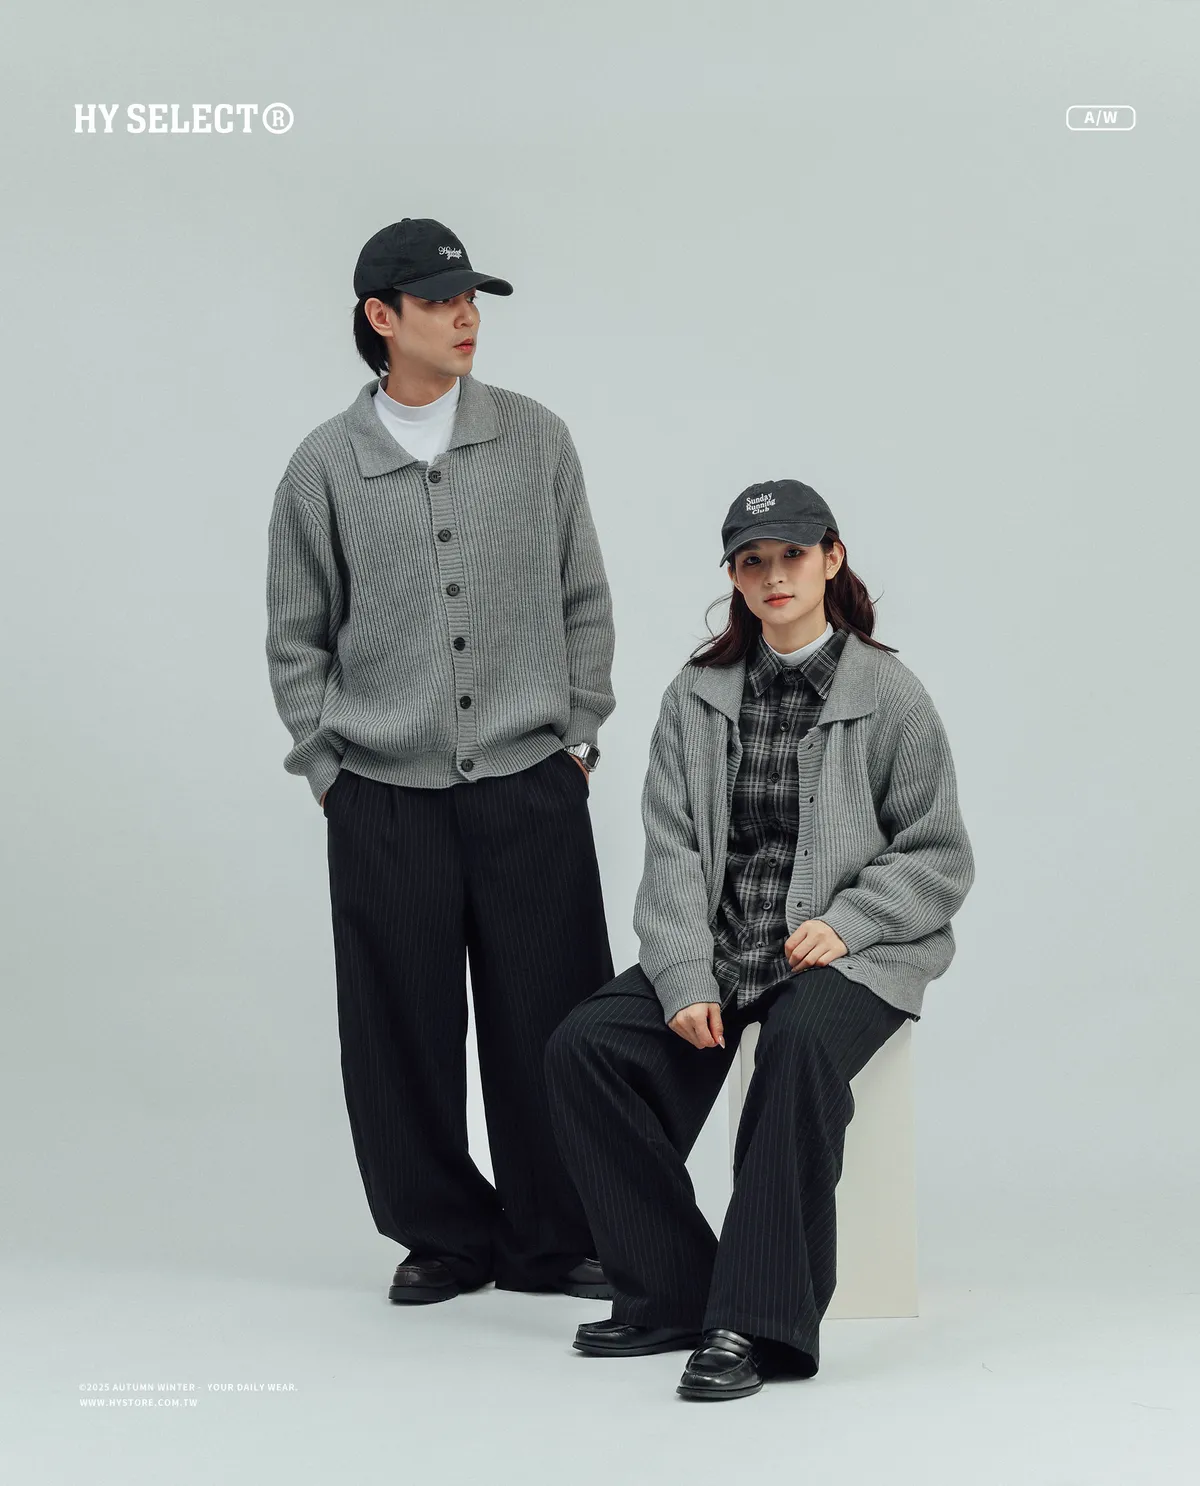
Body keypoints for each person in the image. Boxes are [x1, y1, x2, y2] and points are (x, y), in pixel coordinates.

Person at [545, 478, 975, 1399]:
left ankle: (756, 1319)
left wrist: (848, 922)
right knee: (585, 1049)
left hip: (856, 952)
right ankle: (673, 1291)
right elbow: (671, 851)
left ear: (831, 559)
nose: (774, 576)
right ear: (734, 578)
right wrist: (682, 973)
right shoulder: (695, 696)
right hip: (726, 944)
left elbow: (939, 854)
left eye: (791, 555)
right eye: (752, 561)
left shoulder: (890, 694)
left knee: (795, 1049)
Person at [265, 216, 617, 1306]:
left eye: (472, 300)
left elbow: (584, 597)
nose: (466, 318)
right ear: (381, 317)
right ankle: (444, 1236)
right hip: (383, 797)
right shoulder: (324, 467)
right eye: (439, 301)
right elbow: (297, 639)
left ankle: (557, 1237)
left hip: (529, 783)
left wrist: (578, 736)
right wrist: (333, 774)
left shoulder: (536, 438)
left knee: (553, 1022)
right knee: (398, 1031)